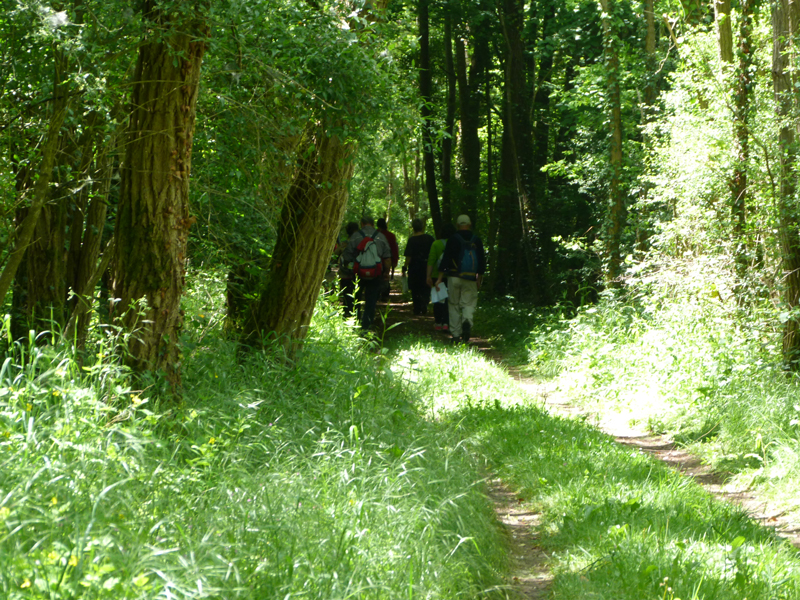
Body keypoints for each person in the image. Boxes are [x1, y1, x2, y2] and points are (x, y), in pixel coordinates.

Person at [435, 214, 486, 343]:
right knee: (468, 303)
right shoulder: (476, 240)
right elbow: (481, 261)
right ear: (469, 225)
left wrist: (440, 278)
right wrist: (479, 278)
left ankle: (456, 335)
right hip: (470, 278)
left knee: (453, 305)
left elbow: (446, 259)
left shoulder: (453, 239)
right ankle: (467, 321)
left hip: (454, 277)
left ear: (457, 225)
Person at [340, 215, 392, 332]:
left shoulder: (355, 236)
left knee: (356, 298)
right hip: (375, 274)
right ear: (373, 224)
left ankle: (355, 323)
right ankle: (366, 325)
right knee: (371, 299)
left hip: (358, 273)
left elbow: (347, 256)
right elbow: (387, 258)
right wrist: (386, 273)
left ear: (362, 224)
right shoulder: (381, 237)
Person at [427, 223, 456, 331]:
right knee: (449, 300)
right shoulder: (455, 243)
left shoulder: (436, 244)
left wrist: (428, 276)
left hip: (436, 275)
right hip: (452, 275)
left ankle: (438, 322)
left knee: (438, 300)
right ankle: (446, 323)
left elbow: (431, 260)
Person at [402, 218, 435, 316]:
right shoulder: (429, 239)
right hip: (427, 266)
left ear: (413, 228)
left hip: (414, 267)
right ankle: (424, 302)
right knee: (426, 286)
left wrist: (405, 266)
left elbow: (409, 256)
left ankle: (417, 307)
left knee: (415, 287)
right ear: (422, 227)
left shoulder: (411, 240)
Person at [337, 221, 359, 317]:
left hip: (344, 274)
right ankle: (356, 315)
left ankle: (346, 315)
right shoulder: (360, 244)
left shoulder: (344, 244)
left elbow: (335, 256)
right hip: (357, 274)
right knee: (356, 296)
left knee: (346, 296)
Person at [377, 217, 399, 300]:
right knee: (385, 276)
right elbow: (394, 249)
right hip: (387, 260)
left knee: (377, 276)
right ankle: (384, 294)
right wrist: (394, 260)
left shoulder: (374, 234)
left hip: (376, 260)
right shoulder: (391, 235)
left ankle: (378, 293)